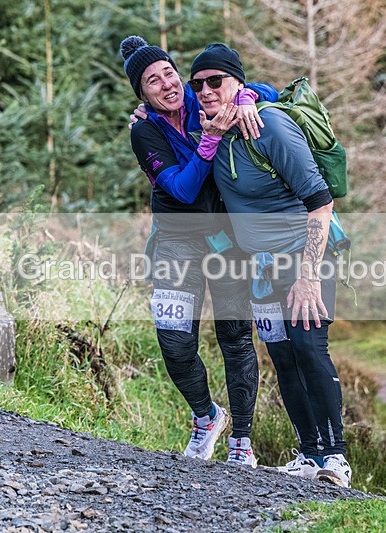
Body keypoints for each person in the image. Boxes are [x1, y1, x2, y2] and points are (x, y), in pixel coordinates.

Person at [189, 43, 352, 487]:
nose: (205, 91)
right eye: (197, 84)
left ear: (237, 83)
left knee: (307, 348)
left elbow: (320, 202)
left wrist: (307, 277)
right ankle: (308, 453)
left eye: (215, 81)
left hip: (306, 256)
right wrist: (141, 115)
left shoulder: (269, 126)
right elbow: (161, 102)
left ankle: (335, 460)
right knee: (282, 355)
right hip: (262, 267)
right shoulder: (212, 131)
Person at [120, 36, 276, 467]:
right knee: (173, 339)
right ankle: (207, 417)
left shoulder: (199, 94)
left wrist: (244, 98)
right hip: (178, 238)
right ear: (142, 94)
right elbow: (183, 189)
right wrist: (208, 141)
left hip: (227, 239)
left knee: (234, 337)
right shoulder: (145, 131)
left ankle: (241, 441)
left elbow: (268, 90)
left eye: (169, 72)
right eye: (153, 81)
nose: (167, 84)